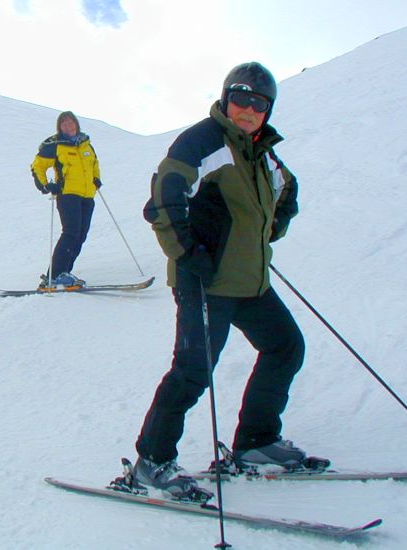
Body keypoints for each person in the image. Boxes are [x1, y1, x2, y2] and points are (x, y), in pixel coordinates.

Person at [134, 62, 304, 498]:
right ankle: (152, 462)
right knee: (192, 373)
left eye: (259, 103)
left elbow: (286, 189)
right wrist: (188, 253)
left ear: (267, 110)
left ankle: (256, 442)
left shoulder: (262, 151)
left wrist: (266, 231)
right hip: (205, 280)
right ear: (227, 97)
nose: (248, 109)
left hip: (249, 280)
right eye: (242, 98)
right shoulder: (204, 141)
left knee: (285, 346)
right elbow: (164, 197)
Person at [30, 111, 102, 288]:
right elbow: (37, 166)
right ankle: (54, 275)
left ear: (76, 124)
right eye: (64, 124)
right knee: (70, 233)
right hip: (67, 194)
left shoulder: (87, 145)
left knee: (81, 235)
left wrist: (96, 179)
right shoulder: (55, 145)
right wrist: (46, 185)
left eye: (71, 123)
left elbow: (94, 164)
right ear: (60, 128)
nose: (68, 126)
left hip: (87, 195)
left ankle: (64, 273)